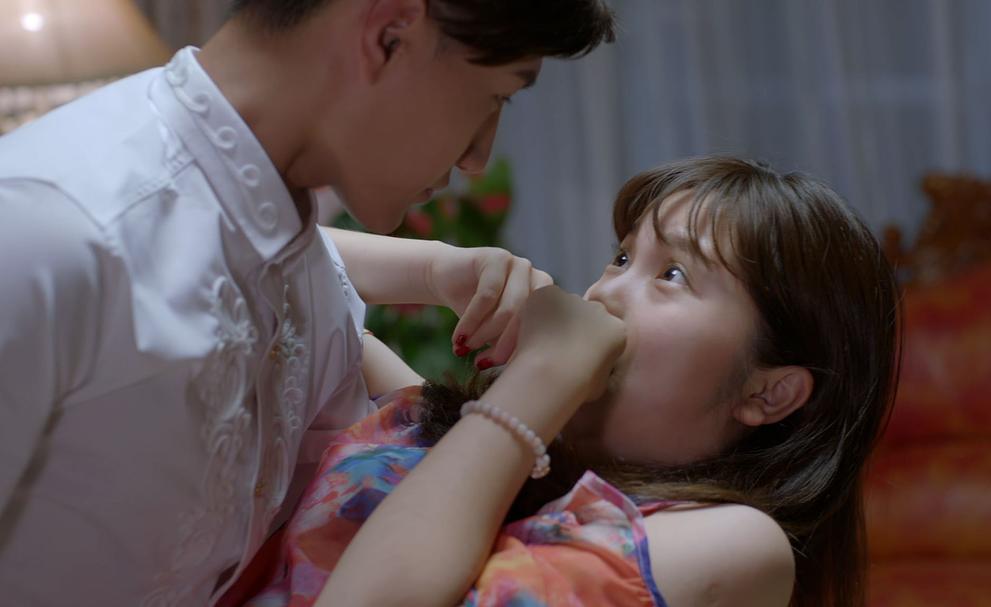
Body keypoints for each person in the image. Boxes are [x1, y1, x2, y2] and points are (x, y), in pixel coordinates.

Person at [0, 1, 615, 604]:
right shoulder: (45, 233)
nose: (478, 157)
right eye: (495, 96)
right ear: (390, 34)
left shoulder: (297, 260)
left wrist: (433, 269)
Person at [222, 157, 901, 607]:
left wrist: (544, 374)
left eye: (672, 275)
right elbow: (266, 261)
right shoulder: (451, 445)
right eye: (622, 257)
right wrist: (437, 268)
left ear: (767, 392)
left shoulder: (738, 545)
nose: (604, 292)